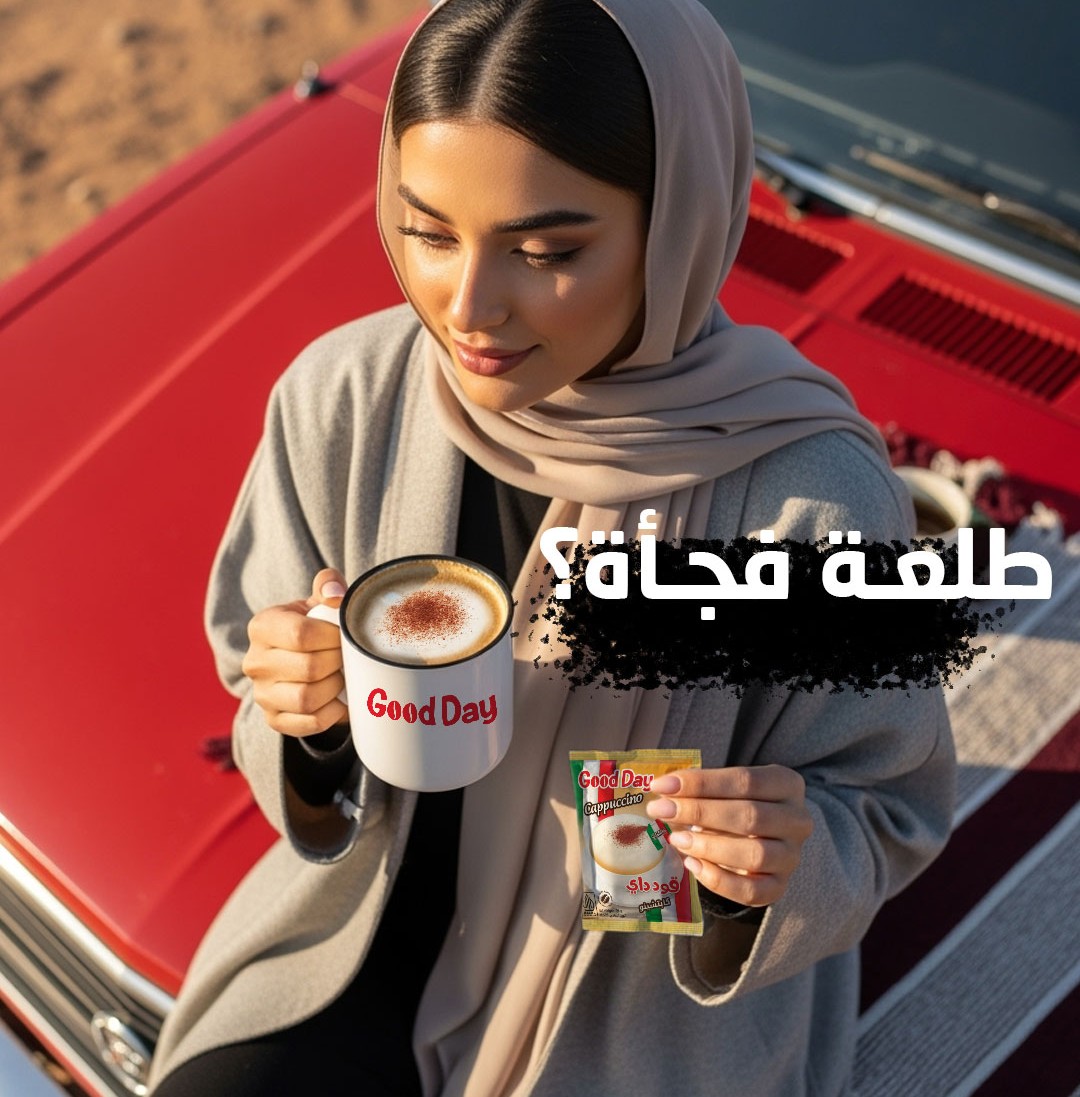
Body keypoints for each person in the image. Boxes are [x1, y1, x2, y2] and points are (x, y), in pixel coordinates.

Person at [148, 0, 955, 1093]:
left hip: (629, 1004)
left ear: (677, 219)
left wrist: (767, 859)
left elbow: (887, 805)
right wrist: (304, 720)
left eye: (545, 249)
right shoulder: (346, 396)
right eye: (427, 230)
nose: (467, 308)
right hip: (353, 933)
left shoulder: (809, 497)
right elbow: (268, 704)